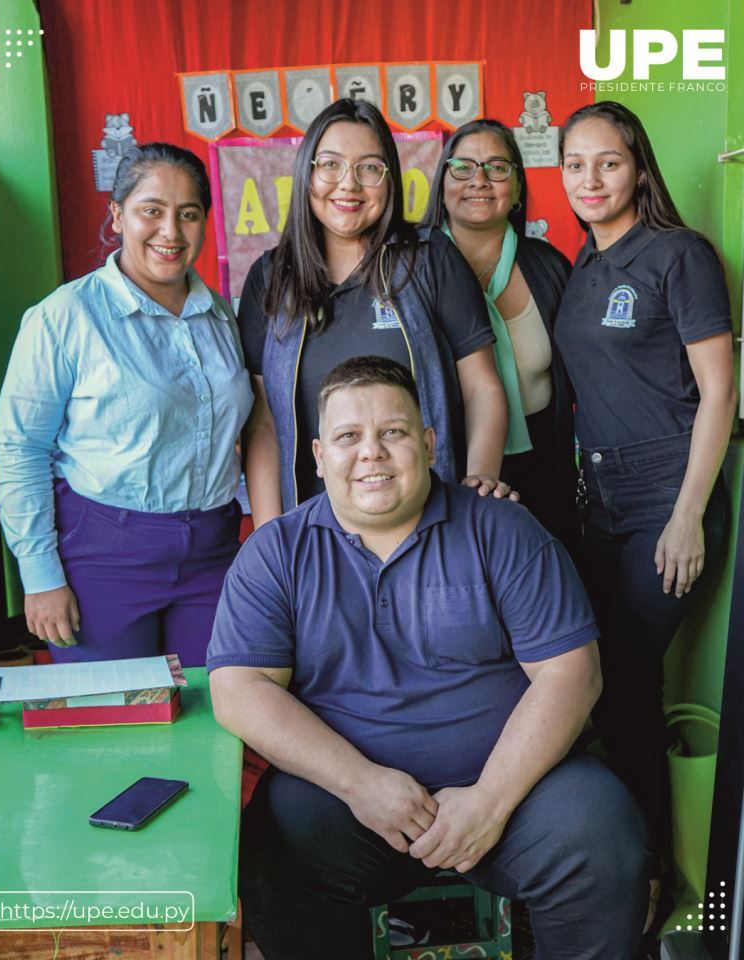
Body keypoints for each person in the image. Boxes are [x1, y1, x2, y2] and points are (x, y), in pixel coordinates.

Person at [208, 356, 651, 960]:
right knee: (276, 848)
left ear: (428, 442)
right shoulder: (276, 553)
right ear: (318, 455)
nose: (371, 452)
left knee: (603, 836)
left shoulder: (503, 530)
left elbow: (572, 673)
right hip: (350, 802)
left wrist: (489, 802)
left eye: (392, 431)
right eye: (348, 436)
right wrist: (361, 784)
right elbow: (240, 689)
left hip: (513, 790)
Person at [555, 102, 736, 920]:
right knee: (595, 680)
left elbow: (719, 392)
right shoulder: (582, 264)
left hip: (668, 494)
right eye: (575, 164)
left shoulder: (678, 254)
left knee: (622, 681)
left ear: (638, 168)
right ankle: (618, 864)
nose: (590, 179)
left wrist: (688, 513)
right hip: (598, 501)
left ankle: (648, 878)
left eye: (609, 162)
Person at [0, 143, 254, 666]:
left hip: (213, 550)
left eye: (188, 214)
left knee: (219, 701)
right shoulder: (65, 316)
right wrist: (39, 574)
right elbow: (21, 450)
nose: (170, 232)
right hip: (101, 556)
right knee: (116, 709)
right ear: (117, 215)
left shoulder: (221, 315)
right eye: (151, 211)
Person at [237, 98, 510, 525]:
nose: (348, 184)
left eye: (369, 167)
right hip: (313, 532)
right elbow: (264, 423)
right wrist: (271, 539)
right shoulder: (271, 277)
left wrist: (477, 490)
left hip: (428, 525)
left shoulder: (428, 258)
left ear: (389, 178)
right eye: (330, 165)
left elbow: (483, 388)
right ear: (307, 173)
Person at [423, 119, 577, 543]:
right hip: (446, 467)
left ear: (518, 187)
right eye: (463, 167)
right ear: (442, 183)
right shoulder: (412, 269)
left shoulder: (550, 267)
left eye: (497, 167)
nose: (479, 180)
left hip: (545, 466)